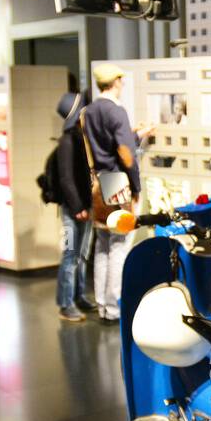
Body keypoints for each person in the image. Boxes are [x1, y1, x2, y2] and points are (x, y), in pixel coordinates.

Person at [83, 63, 140, 324]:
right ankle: (116, 307)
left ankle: (103, 305)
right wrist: (136, 188)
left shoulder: (88, 111)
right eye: (121, 80)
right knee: (119, 246)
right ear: (115, 81)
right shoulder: (116, 111)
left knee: (102, 246)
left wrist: (134, 135)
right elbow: (126, 155)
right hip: (117, 183)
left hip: (98, 182)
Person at [54, 87, 97, 322]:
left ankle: (79, 297)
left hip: (83, 207)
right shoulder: (67, 142)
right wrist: (78, 206)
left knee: (81, 255)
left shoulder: (79, 139)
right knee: (70, 255)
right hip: (73, 210)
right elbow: (66, 178)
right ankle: (65, 303)